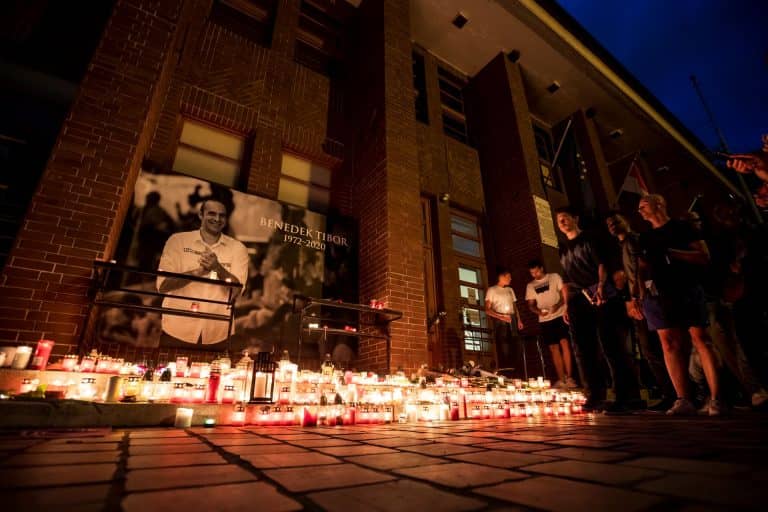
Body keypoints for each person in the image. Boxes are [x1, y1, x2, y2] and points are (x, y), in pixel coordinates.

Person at [637, 194, 723, 415]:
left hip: (687, 287)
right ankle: (683, 399)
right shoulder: (645, 237)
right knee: (669, 343)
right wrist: (641, 294)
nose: (640, 210)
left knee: (700, 338)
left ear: (659, 204)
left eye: (644, 205)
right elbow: (642, 267)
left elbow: (703, 256)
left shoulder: (682, 228)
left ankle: (717, 398)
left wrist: (670, 253)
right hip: (660, 294)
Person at [555, 206, 641, 413]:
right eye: (559, 220)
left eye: (565, 218)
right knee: (582, 349)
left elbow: (602, 264)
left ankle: (626, 396)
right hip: (578, 299)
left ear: (575, 218)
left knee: (611, 345)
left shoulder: (590, 238)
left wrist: (602, 286)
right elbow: (566, 280)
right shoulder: (563, 248)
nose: (562, 222)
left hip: (601, 293)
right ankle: (594, 394)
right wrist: (566, 305)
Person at [606, 212, 676, 411]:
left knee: (652, 347)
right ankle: (669, 392)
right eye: (609, 224)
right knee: (648, 349)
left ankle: (673, 393)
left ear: (625, 221)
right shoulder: (620, 247)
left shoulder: (633, 240)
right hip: (636, 299)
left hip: (644, 299)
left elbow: (640, 268)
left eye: (616, 221)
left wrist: (636, 297)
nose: (612, 226)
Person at [157, 199, 249, 346]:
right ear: (201, 215)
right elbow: (163, 285)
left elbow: (237, 291)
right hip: (177, 329)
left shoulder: (238, 248)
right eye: (212, 214)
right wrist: (197, 272)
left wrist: (217, 268)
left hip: (218, 332)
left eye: (222, 215)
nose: (217, 219)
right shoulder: (178, 241)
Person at [525, 259, 576, 389]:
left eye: (536, 272)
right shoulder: (531, 286)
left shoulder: (554, 277)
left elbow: (564, 294)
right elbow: (531, 305)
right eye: (532, 273)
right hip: (545, 320)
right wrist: (539, 312)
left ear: (541, 268)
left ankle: (569, 378)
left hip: (559, 315)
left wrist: (558, 306)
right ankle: (561, 379)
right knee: (553, 348)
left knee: (564, 342)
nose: (535, 275)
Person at [485, 268, 524, 374]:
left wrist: (519, 320)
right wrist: (500, 317)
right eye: (508, 276)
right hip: (500, 322)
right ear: (502, 277)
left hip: (512, 320)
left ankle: (517, 372)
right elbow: (487, 309)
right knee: (504, 346)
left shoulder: (510, 290)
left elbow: (514, 306)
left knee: (516, 346)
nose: (510, 279)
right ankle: (506, 372)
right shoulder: (492, 290)